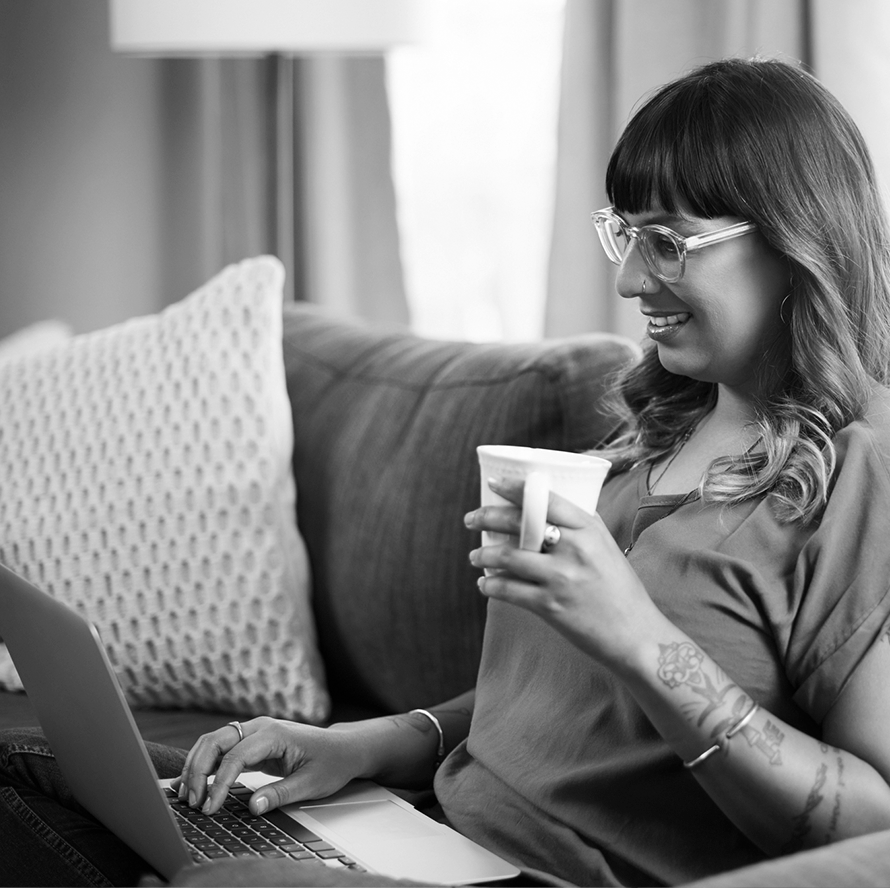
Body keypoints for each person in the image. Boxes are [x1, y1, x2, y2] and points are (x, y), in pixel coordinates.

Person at [4, 55, 890, 888]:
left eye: (668, 240)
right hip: (432, 838)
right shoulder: (647, 439)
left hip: (538, 876)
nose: (627, 279)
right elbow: (554, 708)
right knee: (32, 775)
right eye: (626, 233)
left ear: (793, 241)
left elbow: (869, 827)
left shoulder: (860, 481)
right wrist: (362, 744)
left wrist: (640, 639)